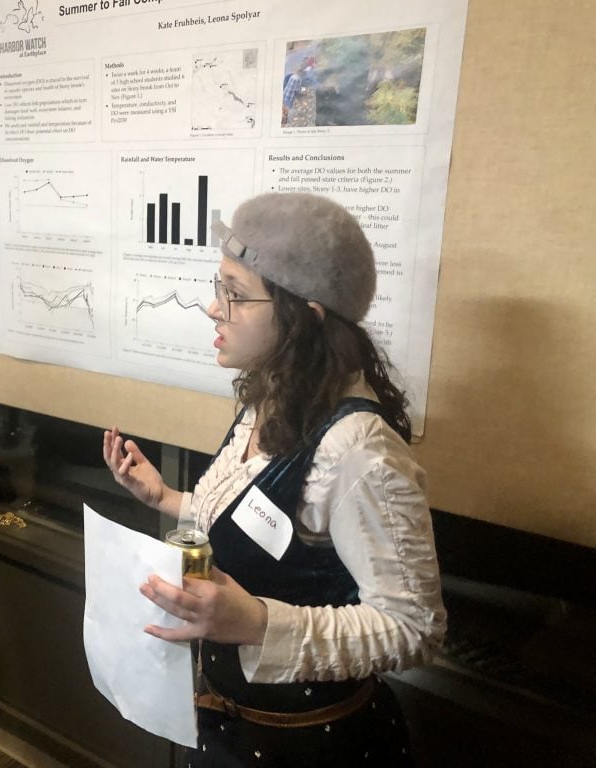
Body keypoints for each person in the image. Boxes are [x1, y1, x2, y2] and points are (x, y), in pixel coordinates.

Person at [103, 192, 445, 767]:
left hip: (313, 745)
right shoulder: (277, 398)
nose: (215, 309)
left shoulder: (358, 449)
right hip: (230, 728)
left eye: (235, 295)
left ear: (304, 318)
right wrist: (164, 498)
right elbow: (263, 529)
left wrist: (260, 623)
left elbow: (414, 626)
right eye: (219, 288)